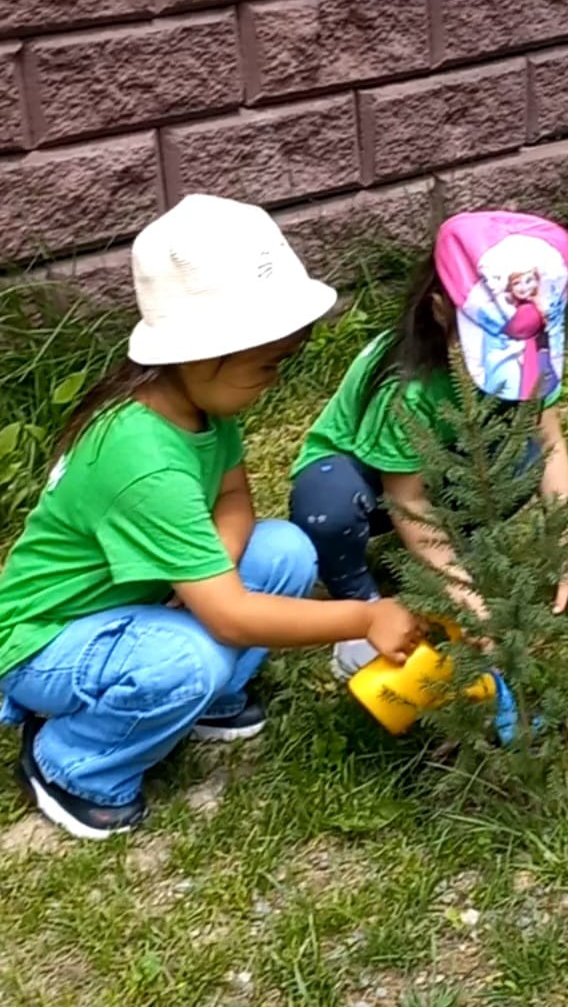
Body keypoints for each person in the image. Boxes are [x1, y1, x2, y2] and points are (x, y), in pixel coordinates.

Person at [0, 195, 421, 840]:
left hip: (134, 602)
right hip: (46, 642)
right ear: (202, 355)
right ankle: (72, 762)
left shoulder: (199, 407)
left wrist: (210, 574)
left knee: (283, 552)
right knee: (192, 655)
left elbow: (233, 500)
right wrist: (366, 615)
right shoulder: (141, 459)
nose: (277, 379)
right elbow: (229, 615)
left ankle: (203, 695)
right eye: (267, 364)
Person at [290, 210, 568, 680]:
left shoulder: (536, 356)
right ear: (439, 311)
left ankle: (457, 547)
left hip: (449, 467)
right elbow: (406, 497)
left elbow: (551, 444)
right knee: (328, 503)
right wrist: (464, 594)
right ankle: (360, 607)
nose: (511, 366)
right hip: (371, 481)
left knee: (524, 458)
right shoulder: (410, 385)